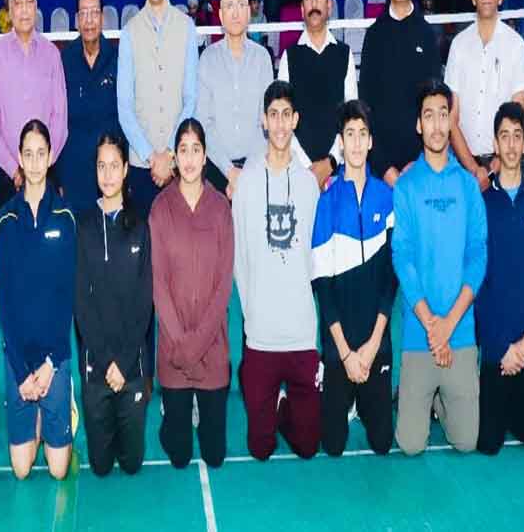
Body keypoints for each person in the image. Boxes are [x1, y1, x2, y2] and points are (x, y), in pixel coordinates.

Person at [392, 80, 487, 457]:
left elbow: (477, 256)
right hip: (421, 334)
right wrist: (432, 325)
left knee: (466, 442)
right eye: (428, 116)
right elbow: (402, 257)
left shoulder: (468, 186)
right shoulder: (406, 186)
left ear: (451, 122)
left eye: (443, 115)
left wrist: (449, 325)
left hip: (459, 332)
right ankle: (425, 395)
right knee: (410, 445)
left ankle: (440, 397)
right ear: (419, 124)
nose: (436, 124)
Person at [233, 81, 322, 461]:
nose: (281, 124)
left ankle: (284, 405)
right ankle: (266, 396)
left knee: (308, 447)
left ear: (296, 120)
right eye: (274, 115)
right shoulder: (248, 182)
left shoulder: (308, 184)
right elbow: (239, 257)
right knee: (260, 448)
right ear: (263, 121)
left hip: (300, 333)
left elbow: (313, 256)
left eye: (287, 115)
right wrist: (252, 313)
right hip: (261, 336)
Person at [310, 99, 396, 457]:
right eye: (350, 134)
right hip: (340, 347)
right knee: (332, 446)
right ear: (341, 143)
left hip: (375, 343)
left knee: (382, 444)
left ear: (371, 141)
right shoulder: (327, 202)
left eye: (363, 134)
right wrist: (345, 354)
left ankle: (365, 397)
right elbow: (322, 285)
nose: (357, 142)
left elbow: (390, 279)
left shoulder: (386, 197)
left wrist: (373, 345)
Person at [0, 119, 77, 480]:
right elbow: (5, 302)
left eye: (40, 153)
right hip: (20, 358)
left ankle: (60, 399)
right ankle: (36, 410)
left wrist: (50, 363)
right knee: (21, 469)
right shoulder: (7, 220)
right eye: (27, 154)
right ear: (19, 157)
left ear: (50, 156)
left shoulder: (65, 216)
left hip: (53, 357)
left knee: (58, 471)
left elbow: (66, 298)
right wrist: (21, 369)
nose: (34, 162)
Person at [150, 118, 233, 469]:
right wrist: (183, 346)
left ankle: (199, 408)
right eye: (182, 150)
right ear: (174, 156)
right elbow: (158, 285)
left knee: (215, 456)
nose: (188, 158)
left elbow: (223, 286)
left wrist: (198, 345)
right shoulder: (160, 208)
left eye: (195, 150)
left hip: (212, 347)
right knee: (180, 456)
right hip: (175, 350)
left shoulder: (221, 208)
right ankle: (174, 415)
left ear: (205, 155)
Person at [474, 102, 524, 455]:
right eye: (504, 136)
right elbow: (477, 283)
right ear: (495, 142)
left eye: (517, 136)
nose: (510, 145)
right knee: (488, 444)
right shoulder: (481, 205)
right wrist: (501, 347)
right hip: (496, 351)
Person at [73, 132, 152, 476]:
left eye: (114, 166)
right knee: (101, 466)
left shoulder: (140, 227)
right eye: (101, 166)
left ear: (125, 170)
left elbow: (144, 302)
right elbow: (81, 303)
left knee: (132, 464)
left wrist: (123, 362)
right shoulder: (84, 227)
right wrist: (107, 362)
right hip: (97, 366)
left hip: (131, 365)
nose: (107, 175)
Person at [118, 0, 199, 214]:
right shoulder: (129, 33)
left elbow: (191, 99)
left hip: (181, 164)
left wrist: (170, 154)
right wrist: (153, 157)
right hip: (142, 166)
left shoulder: (187, 28)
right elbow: (124, 107)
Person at [0, 0, 67, 206]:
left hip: (47, 174)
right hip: (11, 178)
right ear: (9, 10)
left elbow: (60, 118)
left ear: (36, 6)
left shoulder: (51, 54)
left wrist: (43, 164)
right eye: (17, 3)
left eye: (29, 1)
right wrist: (14, 169)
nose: (24, 10)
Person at [359, 0, 443, 187]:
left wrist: (419, 162)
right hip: (381, 173)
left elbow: (434, 105)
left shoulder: (427, 35)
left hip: (421, 169)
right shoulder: (374, 36)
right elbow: (366, 105)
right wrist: (385, 169)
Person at [445, 0, 524, 190]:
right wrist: (474, 169)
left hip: (505, 166)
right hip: (463, 168)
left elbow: (519, 111)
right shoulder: (459, 45)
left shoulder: (516, 45)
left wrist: (495, 166)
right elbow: (451, 118)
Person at [277, 0, 357, 190]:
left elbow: (351, 118)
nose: (314, 3)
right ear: (302, 8)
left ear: (329, 6)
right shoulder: (289, 57)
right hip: (297, 173)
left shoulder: (344, 54)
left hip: (338, 173)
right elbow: (283, 120)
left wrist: (330, 163)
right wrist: (308, 169)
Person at [196, 0, 271, 197]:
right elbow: (204, 123)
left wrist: (244, 175)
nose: (236, 12)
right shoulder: (207, 59)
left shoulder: (262, 58)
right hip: (216, 171)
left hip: (256, 169)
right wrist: (229, 171)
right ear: (220, 15)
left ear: (249, 12)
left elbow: (266, 123)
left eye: (241, 5)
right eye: (229, 6)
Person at [57, 0, 119, 213]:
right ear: (76, 20)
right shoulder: (64, 60)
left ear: (102, 18)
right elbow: (58, 120)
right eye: (84, 13)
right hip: (74, 174)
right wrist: (59, 177)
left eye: (94, 13)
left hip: (110, 174)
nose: (89, 20)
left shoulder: (117, 58)